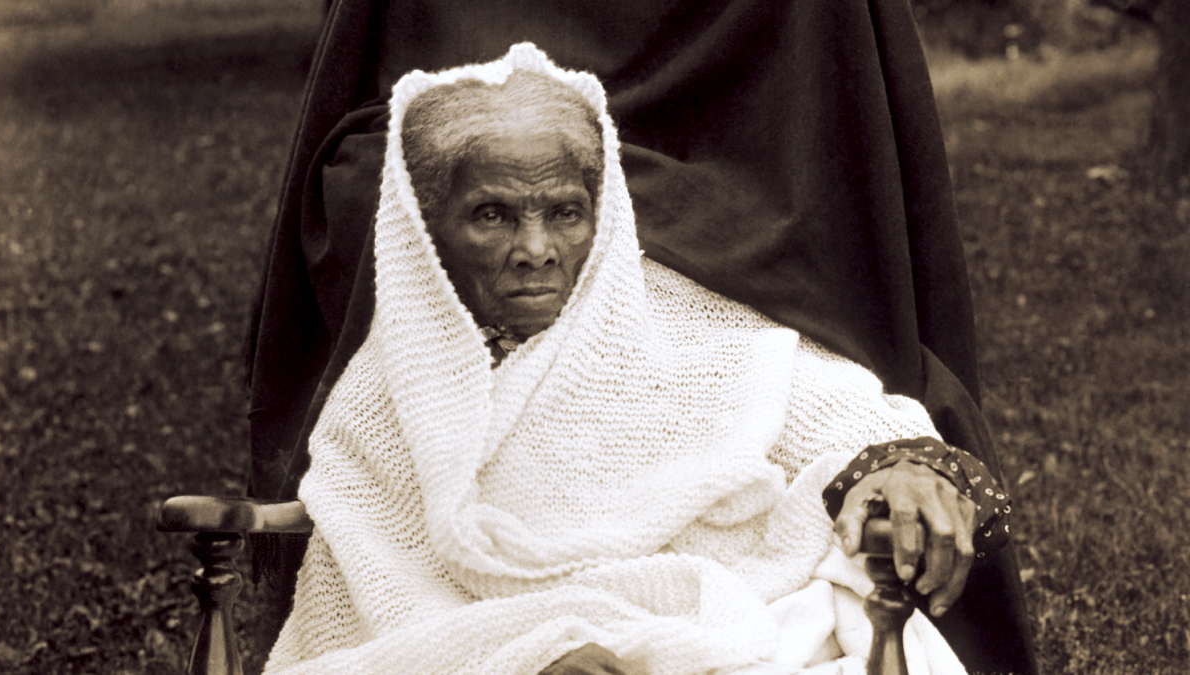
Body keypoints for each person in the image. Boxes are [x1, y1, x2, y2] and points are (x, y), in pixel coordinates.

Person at [260, 45, 1009, 675]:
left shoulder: (667, 315)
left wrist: (903, 465)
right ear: (428, 230)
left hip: (723, 631)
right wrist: (524, 656)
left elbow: (839, 409)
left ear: (602, 212)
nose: (536, 250)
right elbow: (388, 606)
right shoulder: (388, 397)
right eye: (492, 215)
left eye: (564, 211)